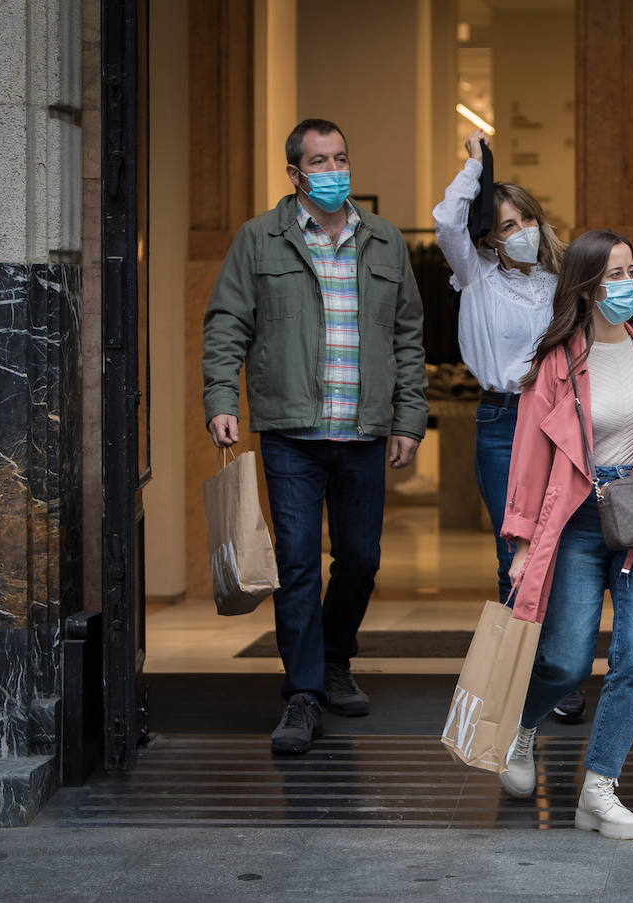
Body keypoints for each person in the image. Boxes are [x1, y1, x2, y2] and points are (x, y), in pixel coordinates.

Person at [203, 118, 429, 755]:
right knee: (298, 563)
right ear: (295, 173)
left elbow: (409, 337)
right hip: (290, 432)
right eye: (320, 161)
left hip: (362, 434)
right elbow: (225, 325)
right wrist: (222, 398)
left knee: (360, 559)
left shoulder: (383, 241)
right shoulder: (259, 240)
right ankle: (303, 693)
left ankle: (335, 657)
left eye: (341, 158)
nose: (333, 171)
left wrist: (410, 418)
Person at [433, 128, 633, 724]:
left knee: (567, 545)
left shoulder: (560, 283)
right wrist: (476, 169)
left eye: (524, 219)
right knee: (518, 551)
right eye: (504, 227)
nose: (518, 232)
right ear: (489, 238)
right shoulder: (473, 275)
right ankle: (530, 674)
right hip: (506, 421)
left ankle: (558, 664)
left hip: (566, 420)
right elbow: (447, 222)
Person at [497, 229, 633, 838]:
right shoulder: (558, 361)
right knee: (564, 664)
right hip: (578, 519)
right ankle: (523, 727)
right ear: (586, 287)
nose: (626, 285)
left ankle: (599, 787)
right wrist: (520, 544)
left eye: (630, 272)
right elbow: (530, 457)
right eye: (614, 275)